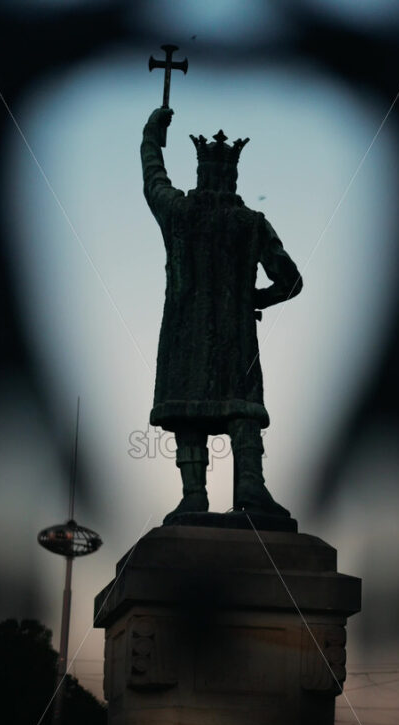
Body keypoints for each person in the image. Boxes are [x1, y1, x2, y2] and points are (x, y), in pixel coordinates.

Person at [141, 107, 303, 522]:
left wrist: (150, 136)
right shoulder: (251, 222)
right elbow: (290, 281)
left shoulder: (178, 213)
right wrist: (255, 300)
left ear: (200, 174)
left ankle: (194, 495)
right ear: (232, 177)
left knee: (188, 410)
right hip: (236, 339)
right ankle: (251, 483)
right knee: (241, 408)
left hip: (184, 340)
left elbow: (153, 180)